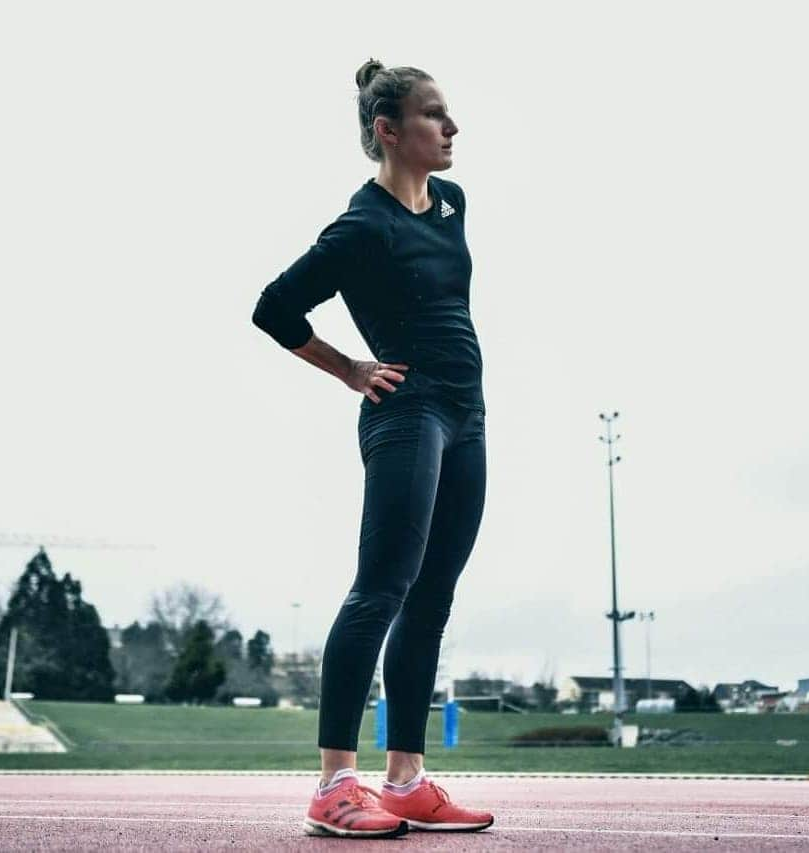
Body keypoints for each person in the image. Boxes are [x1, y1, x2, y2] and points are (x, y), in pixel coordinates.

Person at [251, 58, 493, 839]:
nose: (451, 127)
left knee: (432, 599)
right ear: (388, 130)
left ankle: (406, 779)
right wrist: (351, 368)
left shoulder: (450, 203)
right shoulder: (361, 226)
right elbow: (274, 306)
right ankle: (332, 784)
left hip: (467, 414)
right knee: (381, 588)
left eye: (448, 113)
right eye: (433, 114)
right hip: (406, 412)